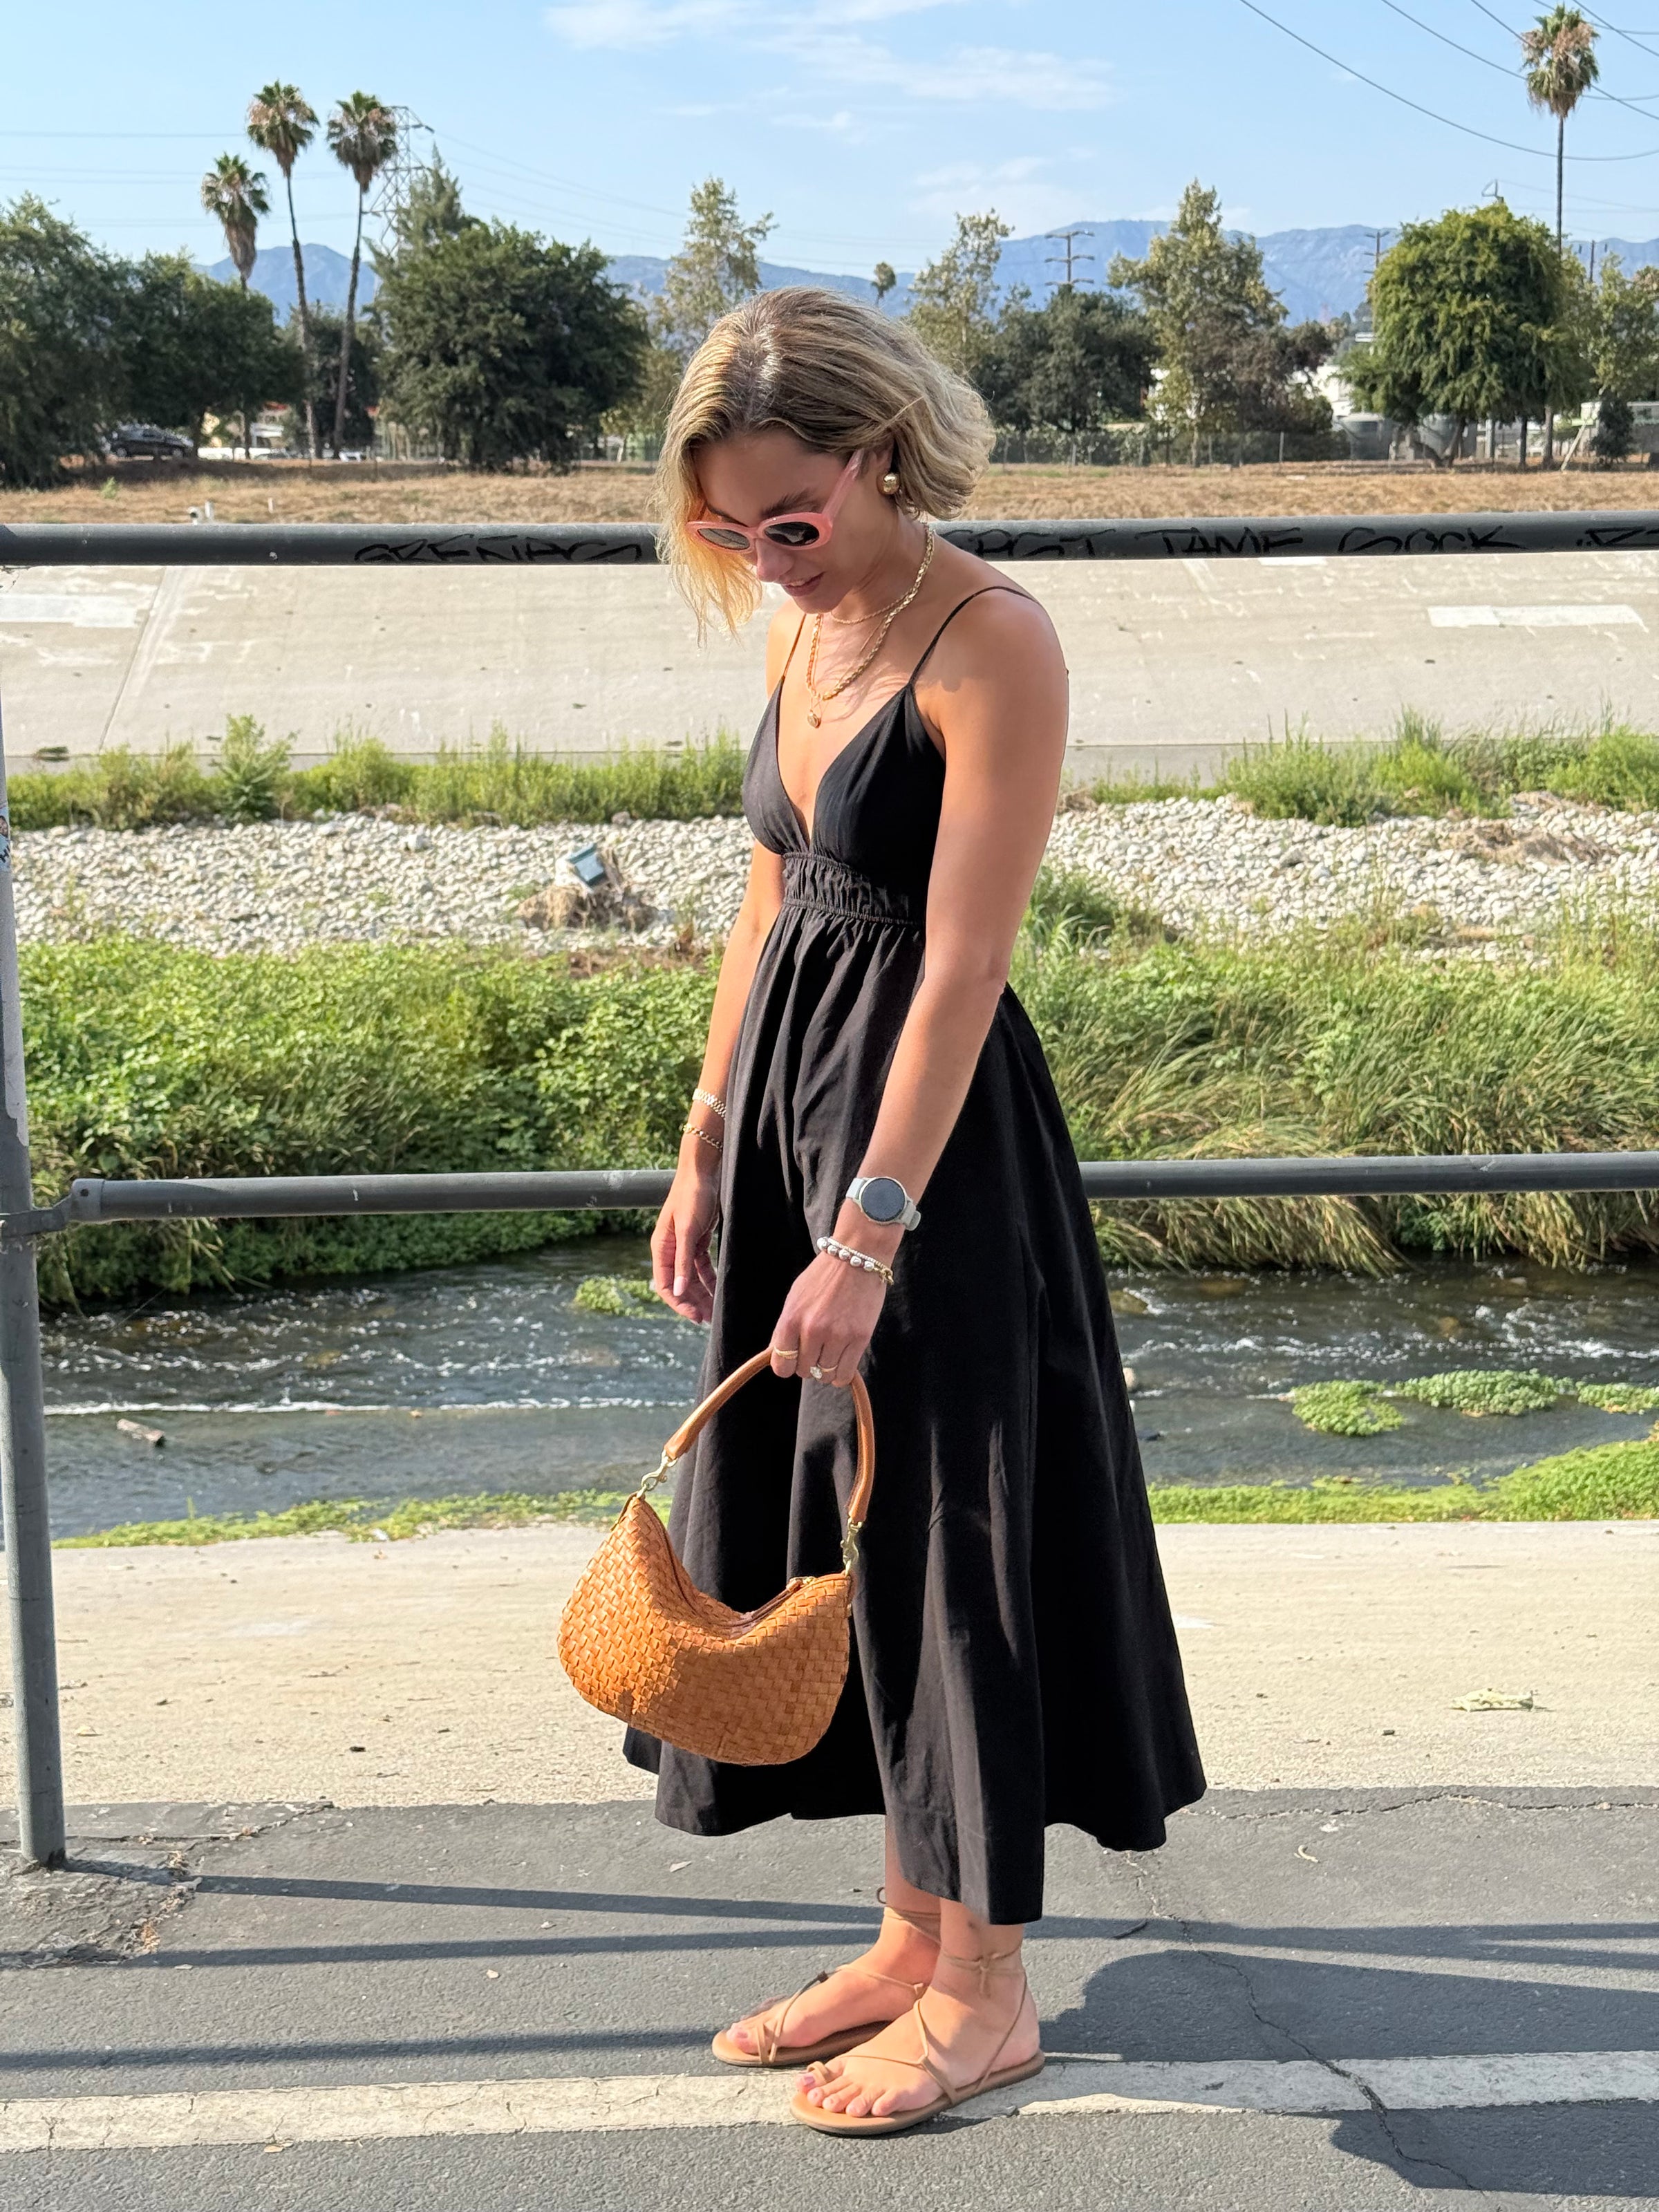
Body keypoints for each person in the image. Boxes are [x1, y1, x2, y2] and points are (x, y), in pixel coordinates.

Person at [627, 285, 1204, 2138]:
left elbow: (960, 967)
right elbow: (766, 898)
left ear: (881, 455)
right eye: (727, 526)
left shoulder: (989, 640)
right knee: (844, 1526)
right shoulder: (809, 629)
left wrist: (869, 1233)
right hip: (797, 1117)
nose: (762, 557)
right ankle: (900, 1928)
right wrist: (711, 1137)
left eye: (790, 521)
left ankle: (986, 1988)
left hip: (929, 1155)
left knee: (955, 1535)